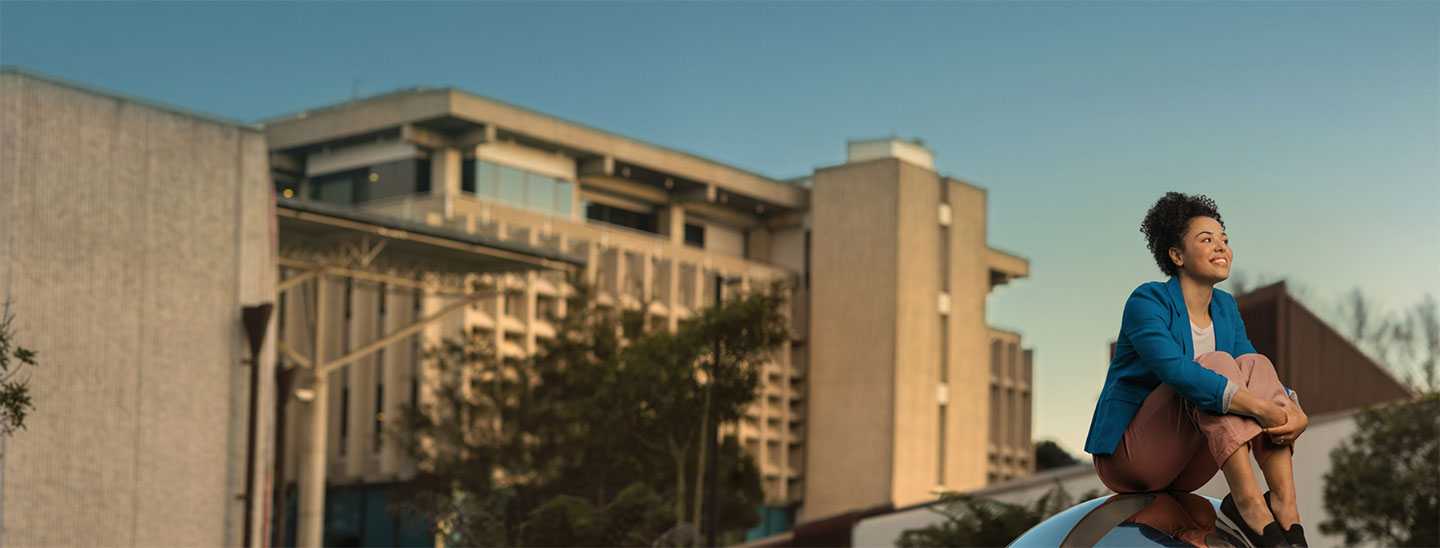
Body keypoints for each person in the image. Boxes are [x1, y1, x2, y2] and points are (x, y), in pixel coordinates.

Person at [1083, 192, 1309, 547]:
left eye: (1225, 240)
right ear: (1176, 255)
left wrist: (1293, 410)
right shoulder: (1148, 301)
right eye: (1206, 240)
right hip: (1133, 457)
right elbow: (1176, 372)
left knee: (1255, 363)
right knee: (1215, 364)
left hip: (1189, 465)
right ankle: (1248, 506)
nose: (1221, 247)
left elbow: (1256, 373)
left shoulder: (1225, 307)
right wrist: (1263, 410)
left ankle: (1286, 508)